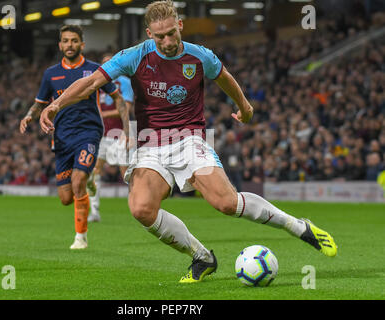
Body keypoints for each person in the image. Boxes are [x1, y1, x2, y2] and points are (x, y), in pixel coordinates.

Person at [40, 1, 337, 282]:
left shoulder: (199, 56)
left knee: (226, 203)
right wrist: (55, 105)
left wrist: (244, 106)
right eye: (160, 36)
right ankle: (202, 257)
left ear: (180, 25)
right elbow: (91, 82)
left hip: (189, 140)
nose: (167, 41)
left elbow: (224, 78)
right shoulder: (136, 55)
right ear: (149, 34)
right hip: (150, 145)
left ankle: (298, 226)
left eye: (172, 33)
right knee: (141, 208)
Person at [20, 25, 129, 250]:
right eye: (66, 41)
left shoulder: (95, 71)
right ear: (60, 45)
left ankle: (81, 237)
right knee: (66, 198)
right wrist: (29, 116)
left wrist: (128, 130)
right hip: (61, 138)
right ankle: (87, 182)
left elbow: (118, 98)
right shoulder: (50, 74)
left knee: (78, 180)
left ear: (82, 44)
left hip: (89, 132)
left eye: (74, 40)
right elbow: (39, 104)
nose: (70, 45)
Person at [87, 53, 135, 223]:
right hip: (100, 134)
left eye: (110, 63)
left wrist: (103, 113)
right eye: (104, 64)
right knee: (94, 171)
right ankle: (94, 211)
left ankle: (138, 207)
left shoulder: (125, 82)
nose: (107, 67)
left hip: (118, 133)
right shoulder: (97, 84)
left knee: (125, 173)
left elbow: (126, 108)